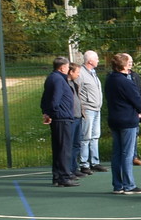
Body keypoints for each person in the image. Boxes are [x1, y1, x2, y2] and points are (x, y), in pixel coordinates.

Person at [104, 52, 141, 193]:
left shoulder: (109, 79)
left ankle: (118, 185)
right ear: (125, 65)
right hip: (127, 120)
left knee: (117, 153)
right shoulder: (126, 82)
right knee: (127, 153)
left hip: (114, 119)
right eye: (129, 62)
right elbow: (137, 100)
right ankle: (129, 185)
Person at [40, 56, 79, 186]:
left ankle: (58, 176)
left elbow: (45, 98)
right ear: (62, 68)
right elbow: (54, 99)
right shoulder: (58, 80)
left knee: (59, 148)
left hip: (60, 116)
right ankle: (64, 176)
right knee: (64, 148)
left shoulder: (53, 78)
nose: (68, 70)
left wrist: (46, 112)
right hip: (62, 118)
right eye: (68, 67)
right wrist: (51, 112)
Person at [75, 50, 105, 175]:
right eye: (96, 58)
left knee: (95, 136)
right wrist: (82, 107)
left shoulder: (93, 73)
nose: (98, 60)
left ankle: (95, 162)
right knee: (85, 137)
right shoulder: (81, 73)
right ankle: (84, 164)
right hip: (87, 109)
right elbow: (77, 91)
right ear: (90, 61)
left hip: (96, 109)